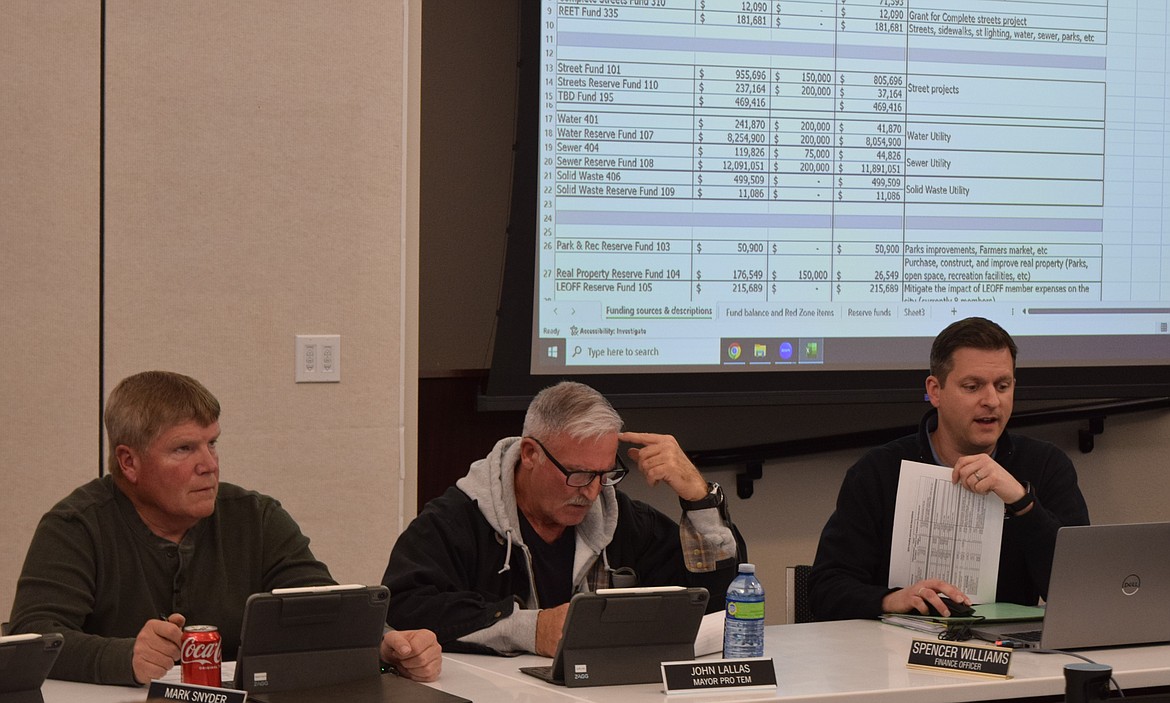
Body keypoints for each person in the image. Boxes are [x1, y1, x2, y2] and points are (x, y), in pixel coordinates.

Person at [8, 371, 442, 686]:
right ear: (129, 462)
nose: (209, 465)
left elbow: (322, 605)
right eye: (184, 448)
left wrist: (386, 644)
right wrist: (123, 657)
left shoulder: (255, 516)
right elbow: (37, 636)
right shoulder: (77, 525)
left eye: (212, 443)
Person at [382, 381, 746, 656]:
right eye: (578, 474)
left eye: (604, 474)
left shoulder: (621, 518)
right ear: (529, 454)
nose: (591, 491)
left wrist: (700, 500)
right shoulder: (457, 520)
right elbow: (403, 609)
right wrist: (529, 628)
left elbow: (720, 600)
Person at [808, 317, 1090, 621]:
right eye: (973, 387)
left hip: (1010, 653)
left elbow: (1082, 590)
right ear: (935, 390)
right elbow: (826, 590)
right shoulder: (878, 471)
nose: (992, 401)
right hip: (893, 653)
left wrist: (1022, 503)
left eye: (1003, 386)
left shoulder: (1046, 465)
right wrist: (891, 599)